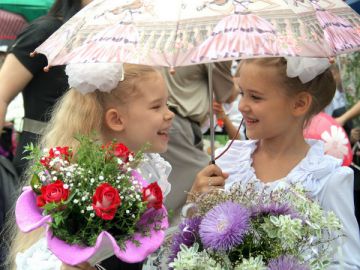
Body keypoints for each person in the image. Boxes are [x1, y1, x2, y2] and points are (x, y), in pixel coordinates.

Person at [190, 57, 360, 269]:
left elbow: (346, 262)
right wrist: (196, 203)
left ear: (299, 104)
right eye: (242, 93)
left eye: (256, 97)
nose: (242, 106)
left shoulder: (325, 178)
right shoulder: (228, 161)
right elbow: (194, 239)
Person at [5, 63, 174, 270]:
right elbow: (41, 257)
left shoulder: (146, 170)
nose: (169, 114)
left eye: (168, 104)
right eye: (157, 106)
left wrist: (195, 201)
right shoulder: (77, 182)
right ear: (116, 119)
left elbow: (152, 251)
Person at [0, 0, 92, 178]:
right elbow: (2, 93)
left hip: (90, 161)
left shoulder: (108, 45)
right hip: (39, 159)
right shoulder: (46, 31)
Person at [159, 62, 234, 225]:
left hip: (184, 126)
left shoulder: (174, 52)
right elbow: (227, 94)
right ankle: (175, 236)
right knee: (200, 179)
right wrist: (223, 62)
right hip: (180, 125)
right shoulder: (204, 53)